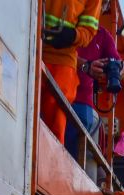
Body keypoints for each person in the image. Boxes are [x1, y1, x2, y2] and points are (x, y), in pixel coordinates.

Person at [65, 1, 124, 159]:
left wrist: (122, 68)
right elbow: (54, 51)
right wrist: (85, 66)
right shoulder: (64, 25)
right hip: (55, 90)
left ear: (105, 8)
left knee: (71, 155)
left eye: (101, 3)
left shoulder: (103, 36)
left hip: (81, 104)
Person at [41, 0, 102, 144]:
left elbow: (88, 31)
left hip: (61, 62)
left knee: (54, 130)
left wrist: (72, 35)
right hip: (24, 39)